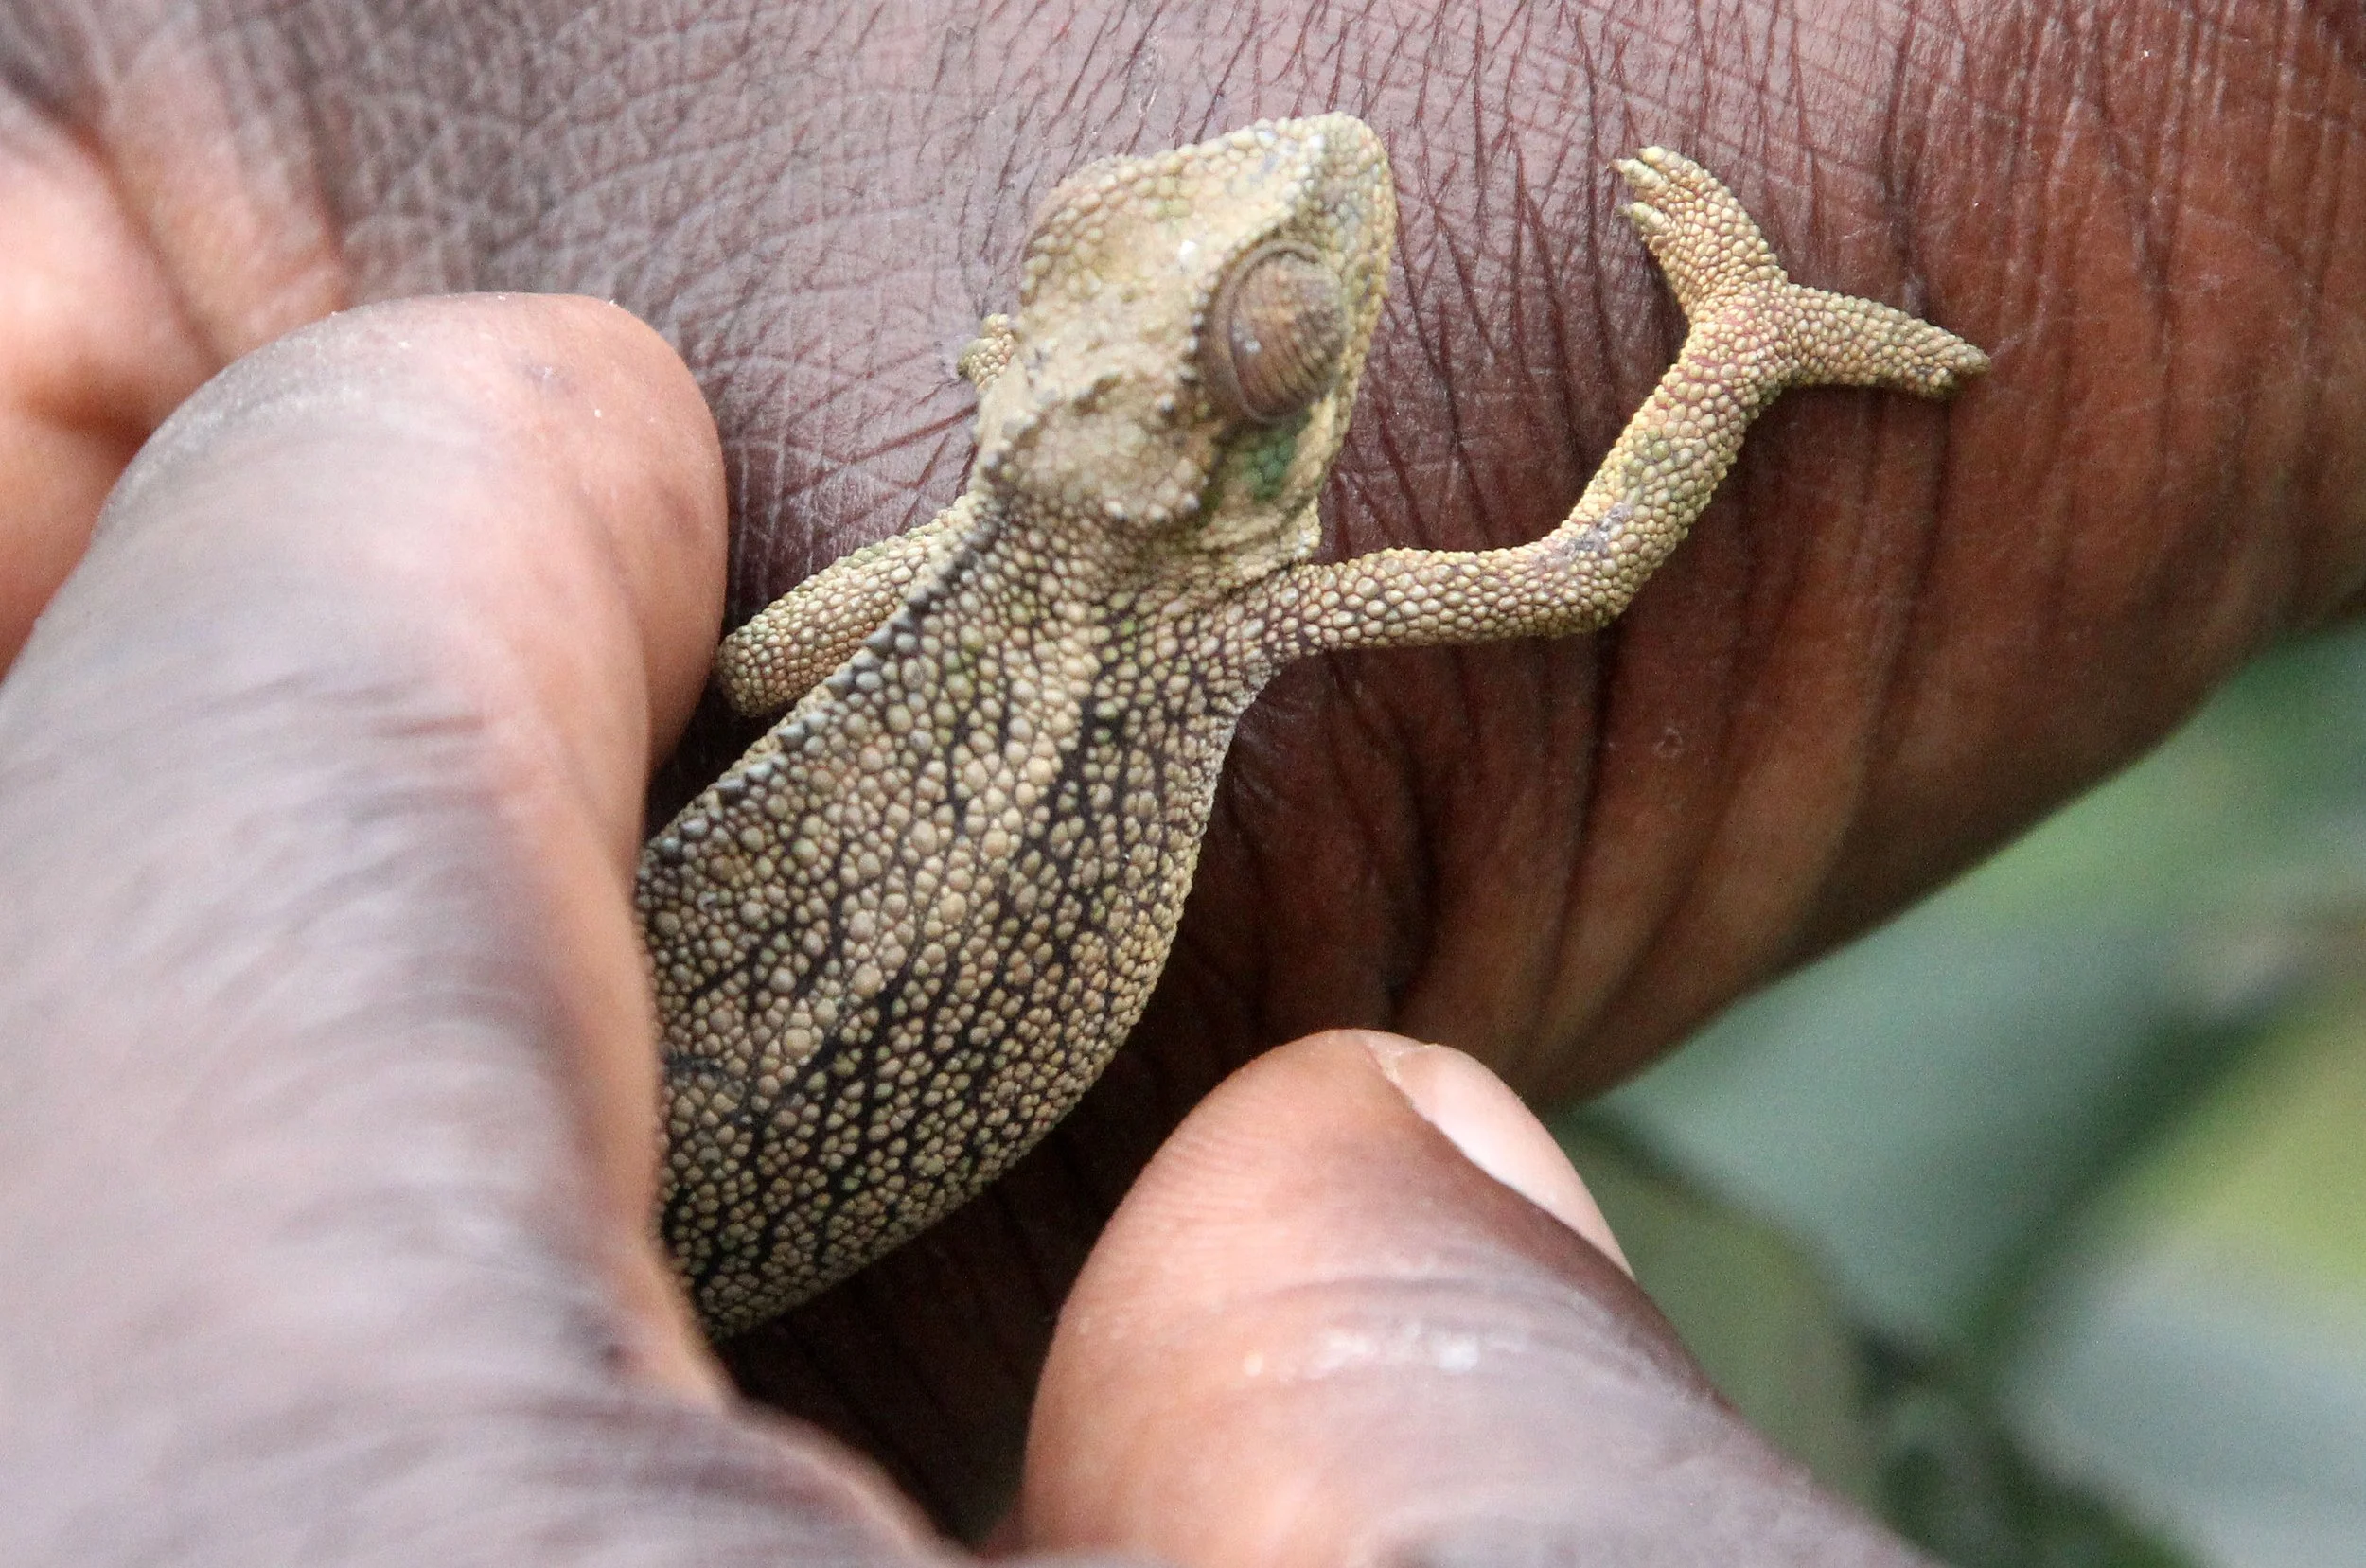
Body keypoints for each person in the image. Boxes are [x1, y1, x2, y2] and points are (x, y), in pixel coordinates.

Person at [1, 3, 2356, 1560]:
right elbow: (1575, 566)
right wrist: (1736, 344)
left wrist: (969, 522)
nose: (1316, 190)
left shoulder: (1045, 583)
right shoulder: (1236, 607)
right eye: (1280, 333)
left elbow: (747, 647)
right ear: (1215, 455)